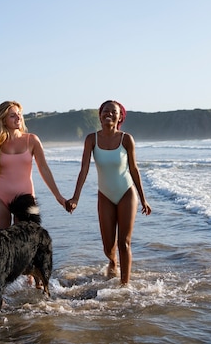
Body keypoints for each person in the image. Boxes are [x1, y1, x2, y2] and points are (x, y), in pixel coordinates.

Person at [67, 100, 151, 285]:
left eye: (114, 112)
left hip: (126, 192)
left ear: (120, 116)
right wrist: (75, 197)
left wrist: (144, 199)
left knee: (124, 242)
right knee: (107, 245)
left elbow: (134, 169)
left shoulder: (126, 139)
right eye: (105, 111)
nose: (109, 114)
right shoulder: (91, 139)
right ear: (100, 115)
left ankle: (125, 284)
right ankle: (112, 261)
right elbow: (84, 170)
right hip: (105, 194)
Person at [0, 101, 70, 230]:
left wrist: (58, 197)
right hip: (0, 198)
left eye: (19, 114)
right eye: (12, 116)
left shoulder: (32, 140)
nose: (18, 118)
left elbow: (44, 169)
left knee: (25, 243)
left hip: (26, 198)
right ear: (3, 120)